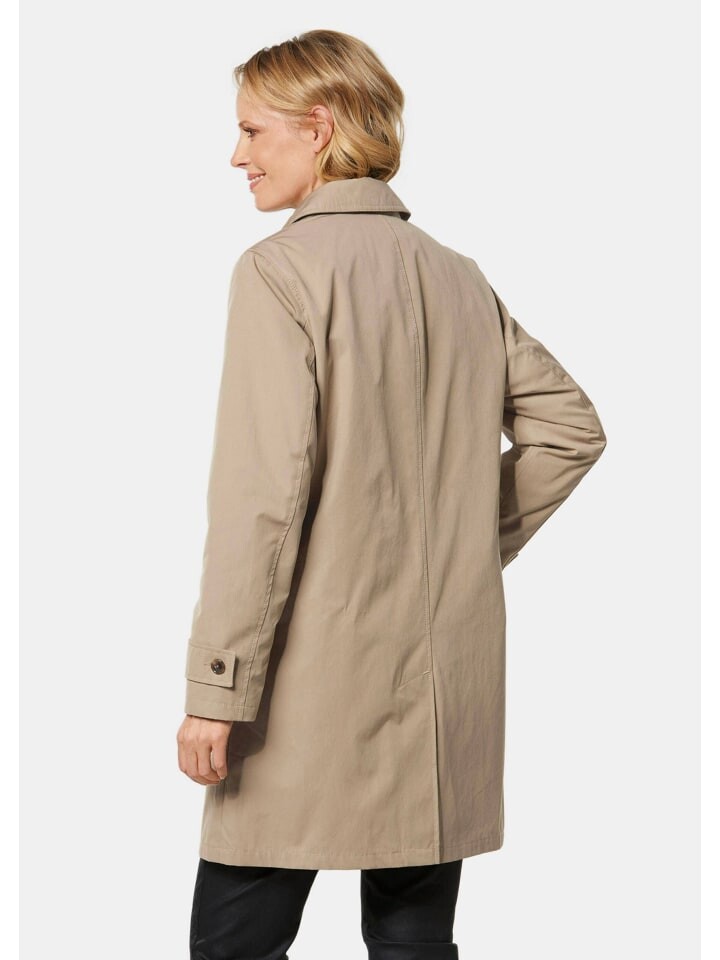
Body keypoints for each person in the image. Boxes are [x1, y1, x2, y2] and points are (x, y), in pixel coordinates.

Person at [176, 28, 607, 960]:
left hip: (305, 688)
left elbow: (262, 503)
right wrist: (455, 546)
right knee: (414, 945)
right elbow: (570, 429)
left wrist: (218, 688)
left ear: (318, 126)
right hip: (441, 696)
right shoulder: (457, 277)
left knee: (231, 944)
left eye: (251, 130)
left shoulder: (279, 272)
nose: (236, 156)